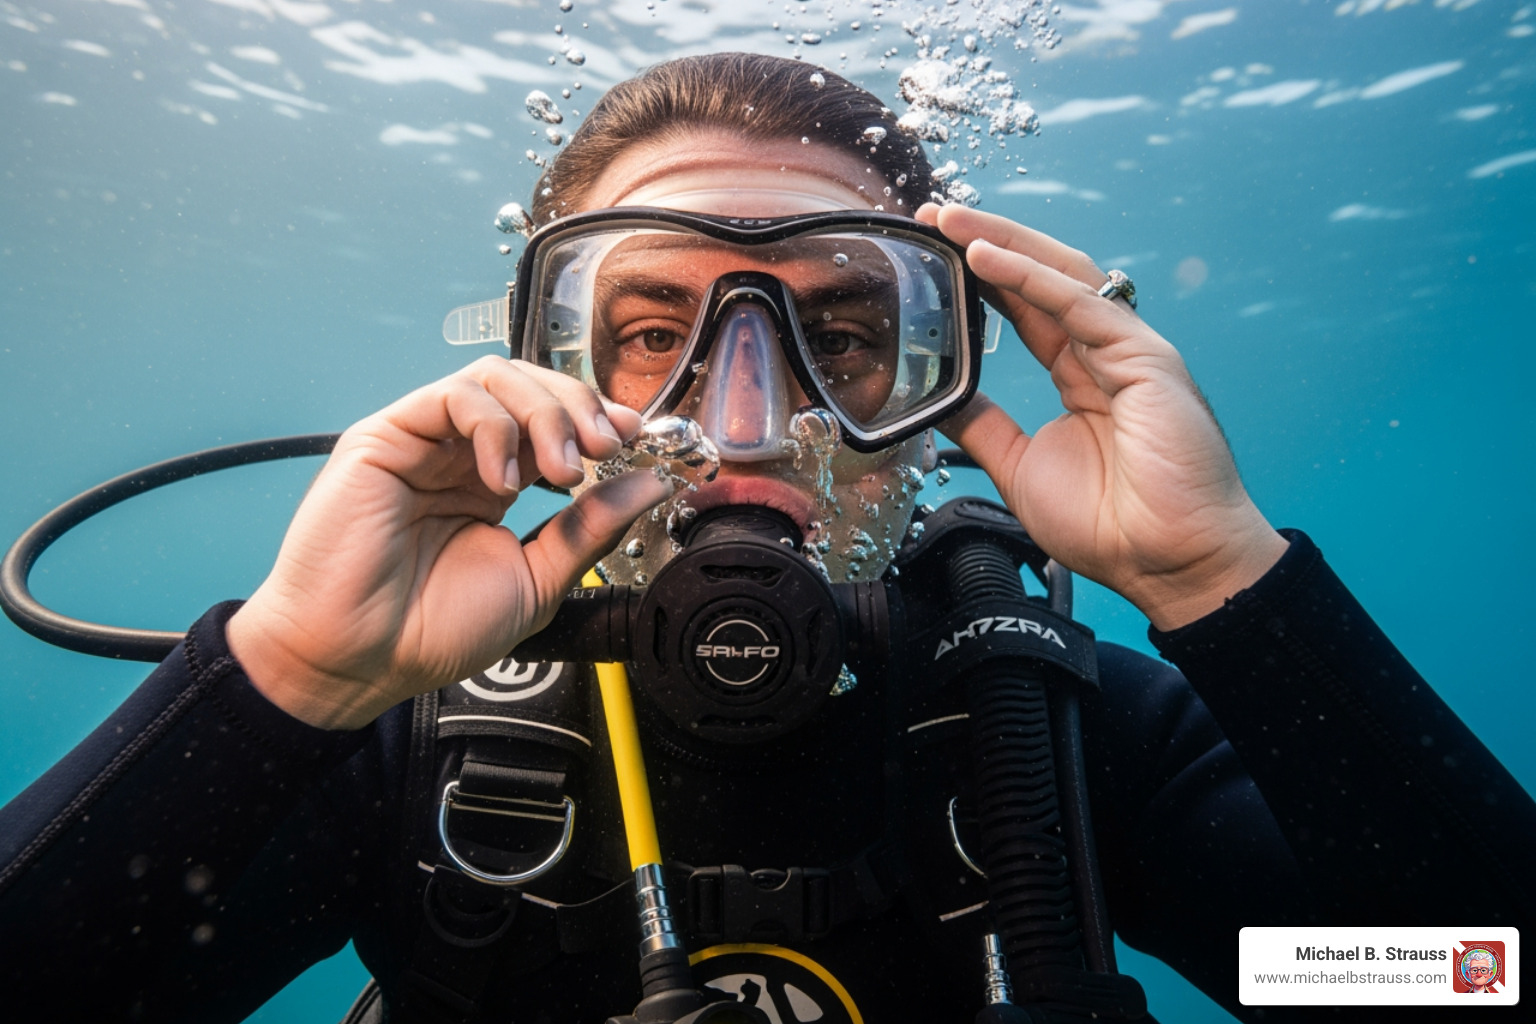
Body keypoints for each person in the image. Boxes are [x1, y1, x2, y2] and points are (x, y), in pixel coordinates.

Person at [0, 53, 1531, 1024]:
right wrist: (280, 679)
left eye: (846, 340)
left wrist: (1224, 585)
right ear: (540, 373)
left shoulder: (1050, 733)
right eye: (651, 332)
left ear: (935, 389)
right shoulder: (403, 749)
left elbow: (1474, 980)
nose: (742, 424)